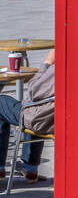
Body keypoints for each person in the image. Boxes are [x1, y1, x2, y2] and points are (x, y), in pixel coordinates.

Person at [0, 50, 54, 183]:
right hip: (57, 119)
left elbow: (34, 90)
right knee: (32, 109)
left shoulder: (65, 65)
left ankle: (1, 168)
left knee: (1, 103)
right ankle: (30, 169)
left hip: (42, 118)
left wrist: (47, 63)